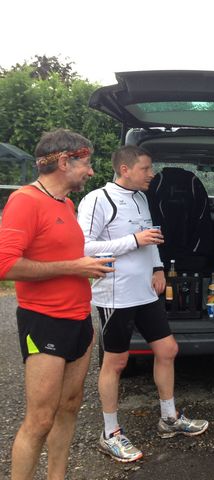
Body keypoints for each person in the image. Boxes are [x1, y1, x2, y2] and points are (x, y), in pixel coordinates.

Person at [76, 146, 208, 463]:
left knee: (168, 350)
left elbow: (151, 238)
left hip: (145, 292)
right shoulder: (98, 199)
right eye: (146, 168)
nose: (152, 174)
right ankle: (110, 433)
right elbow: (84, 247)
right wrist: (135, 241)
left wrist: (158, 267)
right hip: (116, 294)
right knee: (116, 363)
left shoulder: (141, 198)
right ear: (125, 169)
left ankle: (169, 418)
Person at [0, 129, 114, 480]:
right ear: (65, 161)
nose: (91, 171)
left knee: (69, 407)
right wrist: (74, 267)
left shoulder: (65, 204)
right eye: (87, 163)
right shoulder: (24, 201)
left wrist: (85, 269)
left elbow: (60, 256)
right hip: (44, 321)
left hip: (79, 319)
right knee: (40, 420)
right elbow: (5, 265)